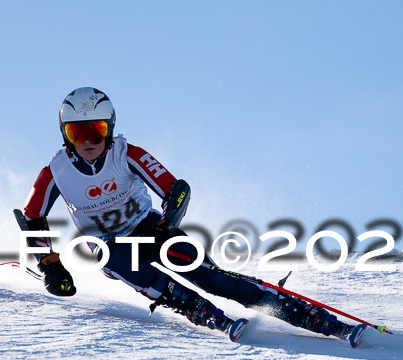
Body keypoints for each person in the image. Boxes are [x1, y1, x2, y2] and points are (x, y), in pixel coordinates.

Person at [19, 87, 361, 344]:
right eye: (77, 133)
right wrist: (50, 265)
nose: (88, 141)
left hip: (148, 226)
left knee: (212, 277)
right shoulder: (56, 170)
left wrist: (169, 224)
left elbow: (175, 188)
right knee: (118, 260)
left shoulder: (128, 153)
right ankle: (195, 309)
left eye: (97, 131)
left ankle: (316, 320)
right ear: (64, 134)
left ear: (110, 128)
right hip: (107, 243)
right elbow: (33, 216)